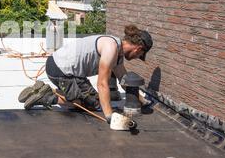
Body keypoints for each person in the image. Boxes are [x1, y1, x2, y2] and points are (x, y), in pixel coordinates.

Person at [19, 25, 153, 130]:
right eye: (139, 55)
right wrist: (109, 116)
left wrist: (140, 100)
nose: (136, 58)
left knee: (95, 102)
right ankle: (47, 96)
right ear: (138, 49)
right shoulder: (111, 48)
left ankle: (44, 91)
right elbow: (102, 83)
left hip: (72, 72)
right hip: (59, 69)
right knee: (82, 104)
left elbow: (124, 79)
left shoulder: (117, 51)